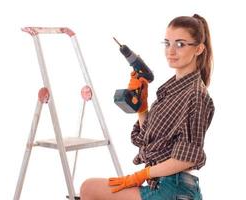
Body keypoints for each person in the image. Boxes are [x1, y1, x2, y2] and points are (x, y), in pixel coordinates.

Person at [80, 13, 215, 200]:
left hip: (173, 190)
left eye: (180, 44)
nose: (171, 51)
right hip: (165, 185)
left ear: (199, 49)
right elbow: (153, 143)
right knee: (90, 188)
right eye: (167, 43)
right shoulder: (171, 90)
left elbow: (187, 158)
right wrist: (142, 107)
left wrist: (140, 175)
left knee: (89, 188)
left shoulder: (195, 95)